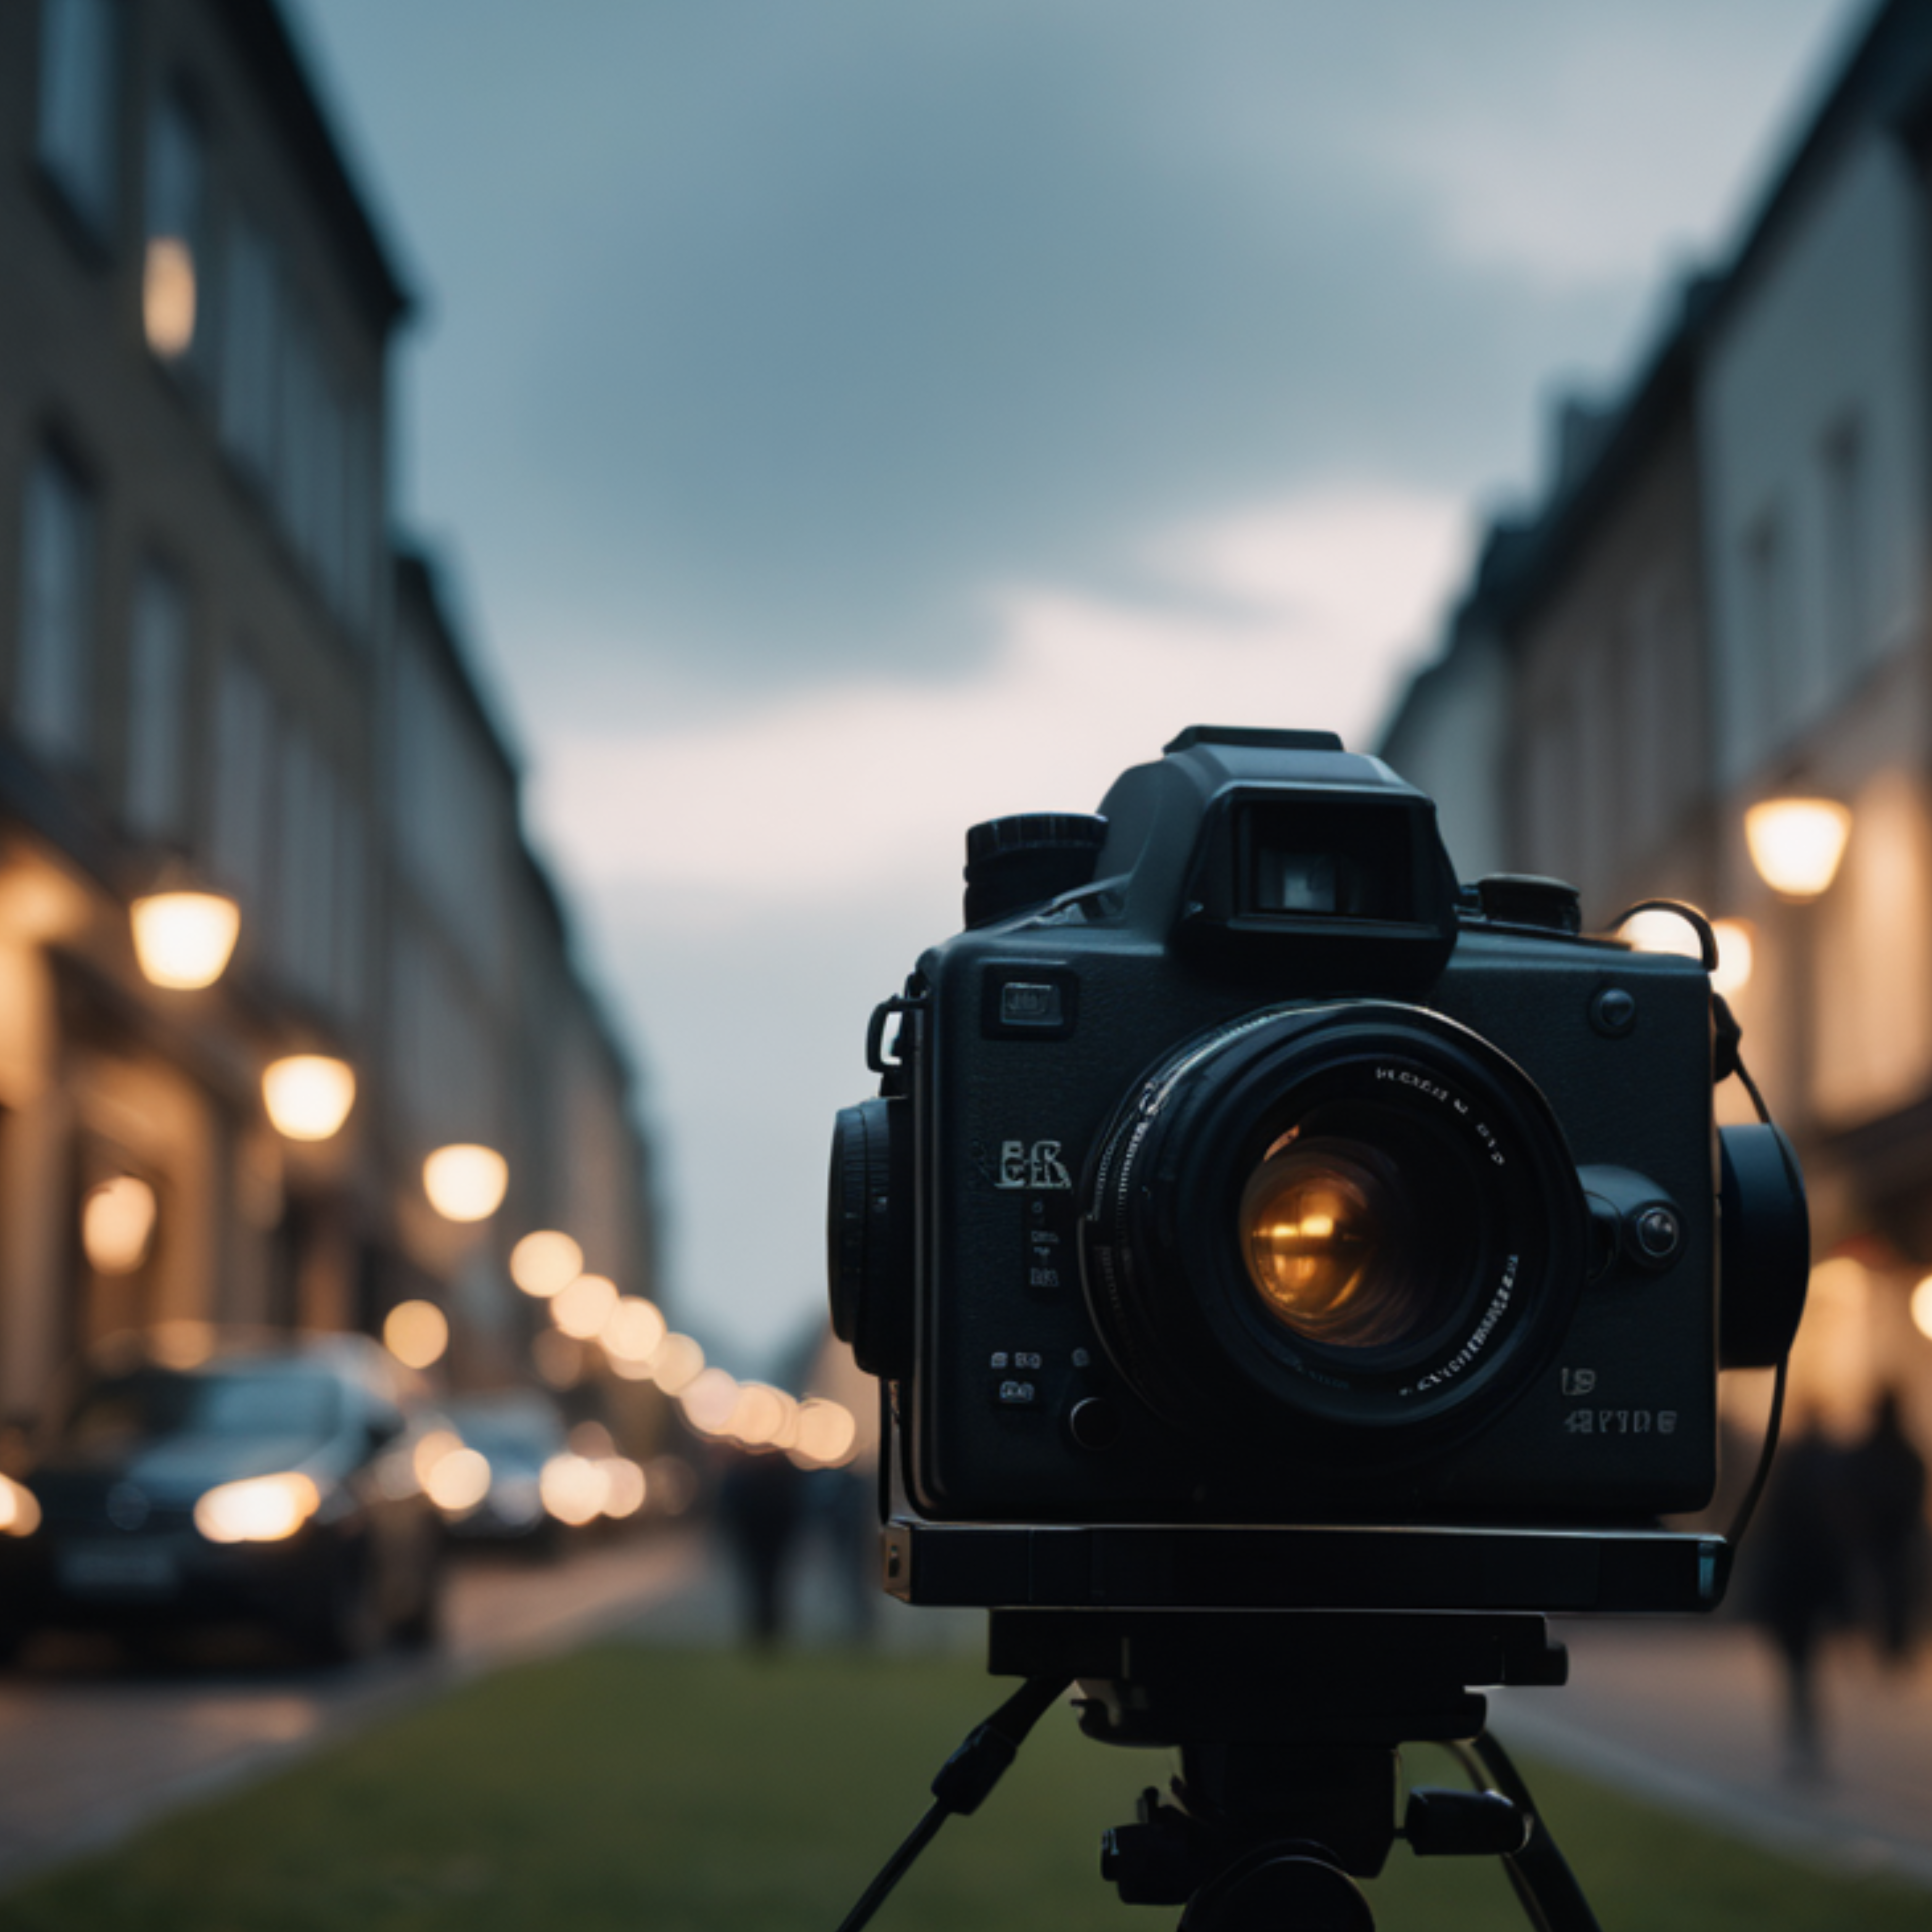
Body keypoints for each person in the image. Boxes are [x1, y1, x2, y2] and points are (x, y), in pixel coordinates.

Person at [1745, 1410, 1852, 1777]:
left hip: (1793, 1587)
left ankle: (1804, 1740)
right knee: (1804, 1667)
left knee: (1798, 1668)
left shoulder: (1792, 1471)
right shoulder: (1829, 1475)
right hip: (1808, 1585)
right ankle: (1808, 1740)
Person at [1842, 1388, 1928, 1668]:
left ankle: (1890, 1645)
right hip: (1883, 1537)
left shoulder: (1880, 1454)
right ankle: (1887, 1644)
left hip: (1887, 1536)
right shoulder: (1903, 1454)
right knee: (1886, 1591)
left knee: (1886, 1591)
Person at [716, 1446, 809, 1648]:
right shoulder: (767, 1475)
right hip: (759, 1535)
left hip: (771, 1536)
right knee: (760, 1581)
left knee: (769, 1580)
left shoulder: (759, 1474)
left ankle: (768, 1625)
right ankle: (763, 1625)